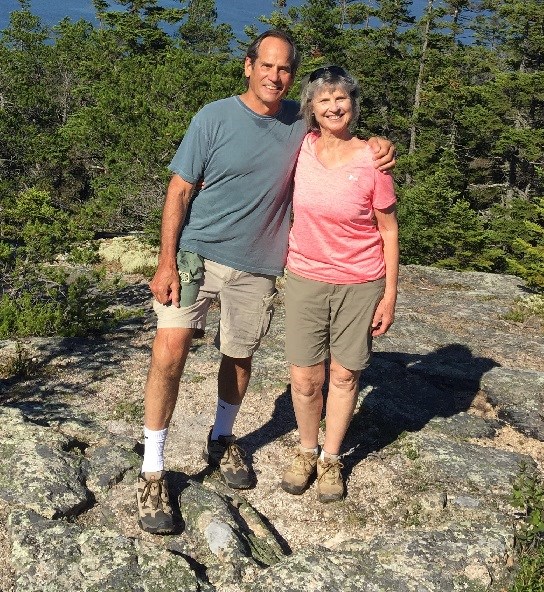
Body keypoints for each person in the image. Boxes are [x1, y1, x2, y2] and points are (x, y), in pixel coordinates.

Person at [136, 31, 396, 534]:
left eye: (285, 70)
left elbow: (340, 127)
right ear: (248, 65)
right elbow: (180, 189)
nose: (275, 77)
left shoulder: (299, 122)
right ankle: (152, 466)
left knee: (239, 355)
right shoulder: (214, 116)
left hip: (258, 264)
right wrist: (165, 261)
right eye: (267, 66)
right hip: (196, 256)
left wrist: (379, 145)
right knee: (169, 349)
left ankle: (223, 436)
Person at [280, 66, 399, 503]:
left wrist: (389, 294)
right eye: (324, 99)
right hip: (305, 276)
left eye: (341, 99)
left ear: (353, 105)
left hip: (360, 282)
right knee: (305, 377)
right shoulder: (301, 146)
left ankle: (332, 458)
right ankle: (306, 450)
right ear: (311, 106)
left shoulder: (373, 159)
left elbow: (388, 229)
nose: (333, 107)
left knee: (346, 375)